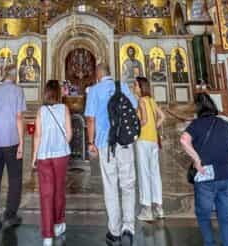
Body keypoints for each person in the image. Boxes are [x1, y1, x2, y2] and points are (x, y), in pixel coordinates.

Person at [180, 93, 228, 246]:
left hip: (205, 176)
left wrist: (196, 159)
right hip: (226, 175)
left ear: (197, 108)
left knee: (203, 215)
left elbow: (183, 140)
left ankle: (210, 243)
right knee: (225, 218)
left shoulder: (196, 125)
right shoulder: (223, 124)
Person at [84, 62, 138, 244]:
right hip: (124, 142)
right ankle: (128, 228)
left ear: (98, 75)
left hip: (105, 144)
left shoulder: (94, 90)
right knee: (128, 185)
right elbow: (135, 106)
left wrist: (91, 143)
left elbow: (90, 119)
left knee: (111, 187)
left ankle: (114, 231)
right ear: (109, 73)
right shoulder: (121, 85)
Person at [0, 65, 26, 237]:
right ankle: (10, 214)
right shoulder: (17, 91)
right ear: (14, 77)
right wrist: (22, 143)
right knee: (15, 179)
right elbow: (18, 117)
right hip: (11, 140)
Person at [32, 79, 72, 246]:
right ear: (58, 93)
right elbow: (69, 133)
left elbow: (37, 135)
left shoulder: (41, 110)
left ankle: (47, 236)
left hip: (44, 156)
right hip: (61, 155)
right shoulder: (64, 109)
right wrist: (63, 144)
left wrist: (34, 156)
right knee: (59, 191)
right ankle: (58, 224)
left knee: (46, 194)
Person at [134, 77, 165, 221]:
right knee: (155, 173)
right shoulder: (151, 100)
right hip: (153, 140)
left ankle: (146, 209)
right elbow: (162, 117)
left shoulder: (141, 101)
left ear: (141, 87)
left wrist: (135, 125)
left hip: (143, 140)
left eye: (135, 85)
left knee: (144, 174)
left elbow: (144, 120)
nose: (134, 87)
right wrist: (154, 127)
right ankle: (159, 207)